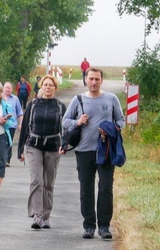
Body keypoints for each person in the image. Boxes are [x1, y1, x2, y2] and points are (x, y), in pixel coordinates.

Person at [63, 68, 125, 239]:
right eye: (91, 79)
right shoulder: (78, 100)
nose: (94, 82)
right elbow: (65, 121)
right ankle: (89, 225)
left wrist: (111, 129)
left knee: (105, 188)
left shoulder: (111, 99)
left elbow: (121, 120)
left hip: (105, 150)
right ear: (86, 79)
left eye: (97, 79)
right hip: (84, 151)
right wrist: (78, 122)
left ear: (102, 80)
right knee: (86, 189)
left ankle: (104, 226)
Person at [17, 75, 67, 230]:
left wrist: (64, 145)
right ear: (41, 87)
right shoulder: (33, 105)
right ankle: (37, 215)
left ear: (55, 88)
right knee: (36, 180)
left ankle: (46, 216)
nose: (48, 87)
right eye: (45, 85)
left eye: (51, 85)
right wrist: (20, 150)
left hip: (53, 147)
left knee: (48, 182)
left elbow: (64, 129)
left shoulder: (60, 107)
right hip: (34, 145)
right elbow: (25, 127)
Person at [2, 82, 24, 167]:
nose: (7, 89)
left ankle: (7, 160)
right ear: (3, 89)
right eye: (6, 88)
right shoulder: (0, 98)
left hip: (11, 125)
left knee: (8, 141)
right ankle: (1, 159)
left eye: (9, 88)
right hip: (1, 124)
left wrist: (20, 124)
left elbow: (20, 112)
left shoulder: (15, 99)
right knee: (1, 142)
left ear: (12, 89)